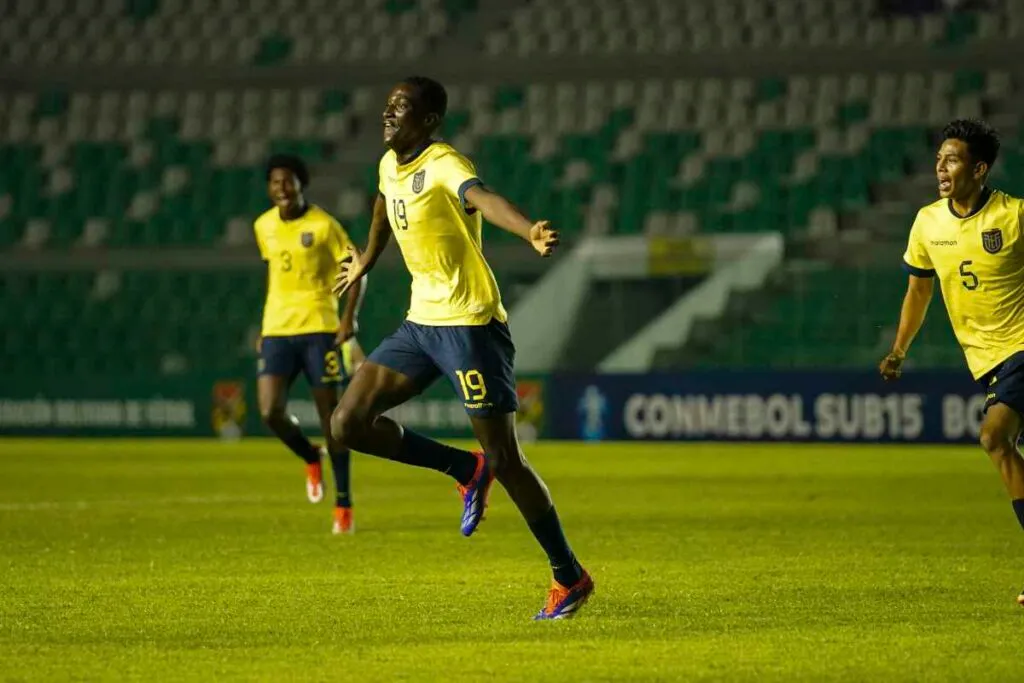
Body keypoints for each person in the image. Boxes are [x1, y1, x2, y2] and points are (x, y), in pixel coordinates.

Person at [330, 76, 593, 620]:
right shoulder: (387, 164)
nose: (388, 115)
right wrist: (368, 260)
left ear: (426, 121)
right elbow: (384, 205)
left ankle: (569, 576)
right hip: (420, 323)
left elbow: (484, 199)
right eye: (387, 105)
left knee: (507, 457)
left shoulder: (445, 163)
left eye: (400, 109)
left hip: (470, 326)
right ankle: (463, 469)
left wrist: (527, 232)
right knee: (347, 423)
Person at [879, 118, 1024, 604]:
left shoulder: (1014, 217)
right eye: (939, 158)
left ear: (979, 169)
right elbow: (918, 290)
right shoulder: (927, 222)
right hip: (987, 361)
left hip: (1021, 348)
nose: (941, 167)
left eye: (954, 159)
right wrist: (899, 350)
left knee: (994, 436)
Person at [255, 154, 365, 535]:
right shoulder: (263, 226)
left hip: (320, 328)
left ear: (301, 184)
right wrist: (264, 326)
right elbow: (276, 276)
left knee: (333, 421)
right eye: (274, 183)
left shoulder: (323, 226)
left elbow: (358, 267)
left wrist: (348, 319)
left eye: (287, 181)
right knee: (270, 411)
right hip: (277, 330)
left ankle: (344, 503)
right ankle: (309, 454)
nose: (281, 189)